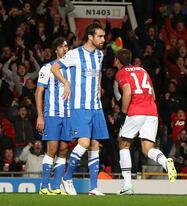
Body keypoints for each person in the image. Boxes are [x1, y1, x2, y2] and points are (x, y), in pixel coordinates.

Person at [50, 23, 109, 195]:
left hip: (96, 106)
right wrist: (66, 82)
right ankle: (67, 177)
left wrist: (98, 86)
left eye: (103, 36)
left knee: (95, 145)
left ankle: (94, 187)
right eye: (100, 36)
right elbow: (55, 68)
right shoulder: (75, 54)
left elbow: (98, 73)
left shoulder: (99, 55)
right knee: (83, 142)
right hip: (79, 106)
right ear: (90, 37)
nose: (103, 39)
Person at [114, 48, 177, 195]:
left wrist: (123, 114)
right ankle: (166, 163)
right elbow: (153, 94)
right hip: (152, 111)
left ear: (117, 60)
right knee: (147, 148)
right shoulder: (142, 70)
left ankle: (127, 186)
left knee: (123, 144)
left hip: (136, 111)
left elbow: (128, 92)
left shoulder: (121, 73)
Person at [35, 37, 70, 195]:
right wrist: (40, 116)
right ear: (56, 49)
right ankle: (43, 186)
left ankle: (56, 187)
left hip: (68, 115)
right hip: (53, 114)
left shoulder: (71, 68)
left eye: (67, 47)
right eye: (62, 47)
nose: (65, 49)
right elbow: (39, 92)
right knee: (52, 148)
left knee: (63, 150)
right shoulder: (47, 68)